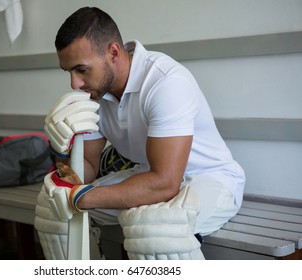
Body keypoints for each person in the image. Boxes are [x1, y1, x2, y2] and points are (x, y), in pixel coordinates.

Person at [34, 6, 245, 260]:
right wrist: (62, 149)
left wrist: (81, 197)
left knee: (155, 227)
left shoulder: (165, 82)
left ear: (113, 52)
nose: (74, 84)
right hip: (148, 175)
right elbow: (87, 168)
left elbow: (166, 182)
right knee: (53, 208)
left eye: (81, 69)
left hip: (209, 179)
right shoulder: (93, 94)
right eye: (68, 72)